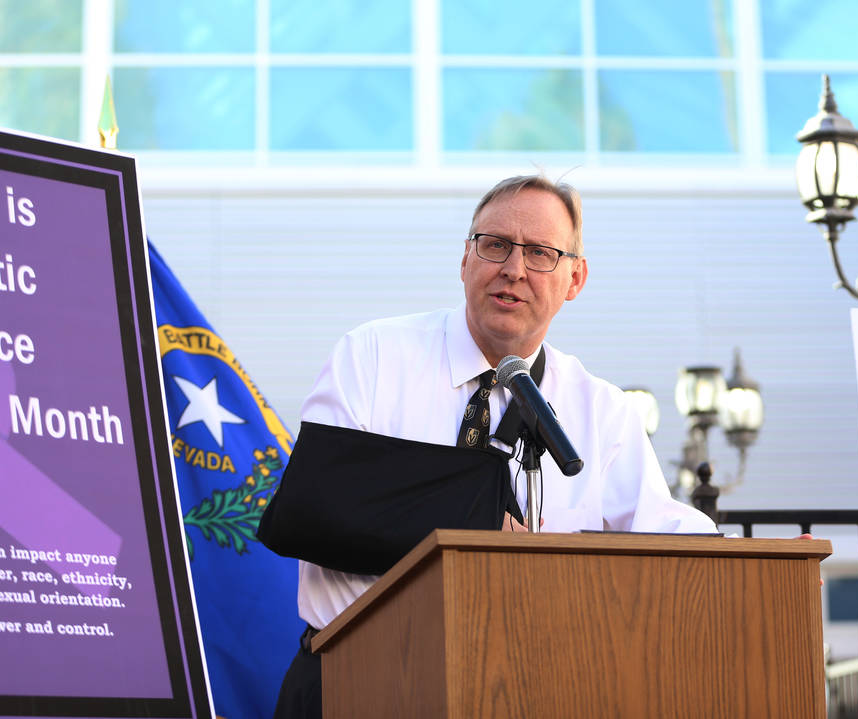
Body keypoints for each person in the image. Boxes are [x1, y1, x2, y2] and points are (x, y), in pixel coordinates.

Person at [271, 175, 717, 718]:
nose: (514, 268)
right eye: (496, 245)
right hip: (353, 677)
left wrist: (766, 569)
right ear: (465, 259)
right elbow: (316, 508)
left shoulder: (602, 412)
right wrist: (479, 527)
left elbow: (664, 533)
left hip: (520, 689)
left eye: (540, 253)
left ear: (575, 278)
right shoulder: (373, 356)